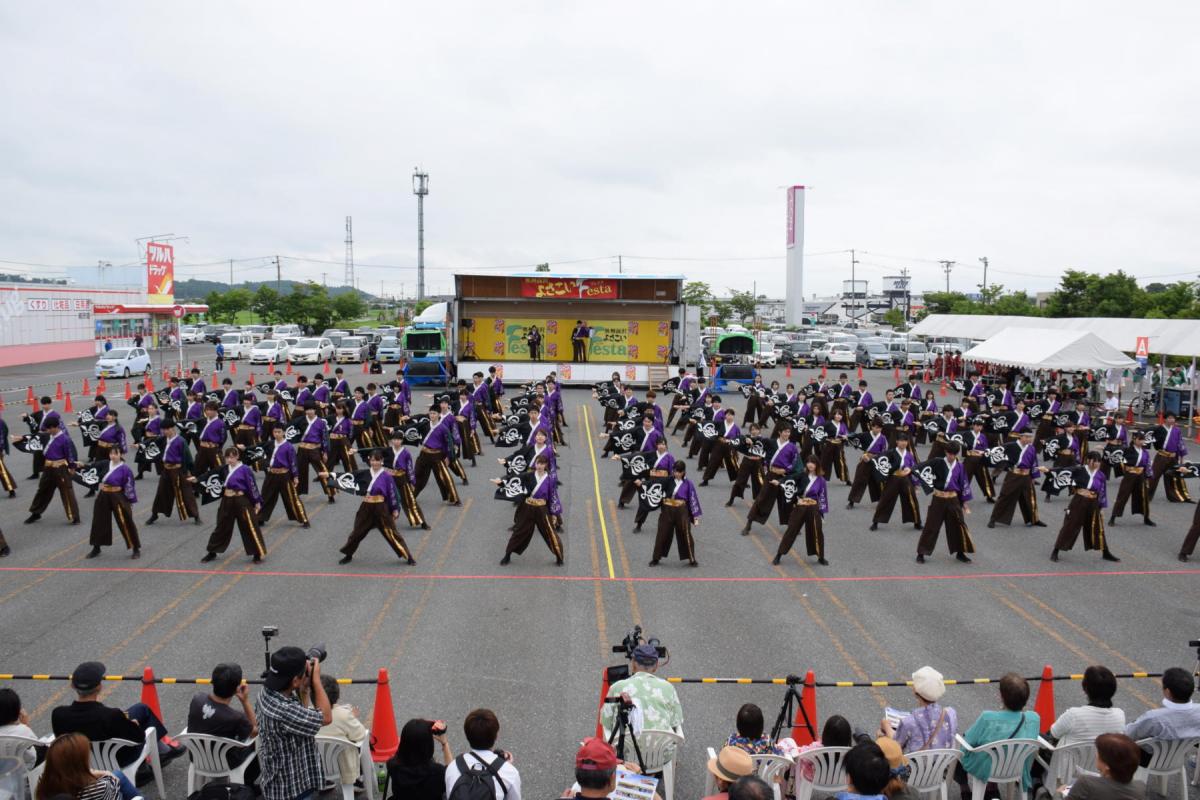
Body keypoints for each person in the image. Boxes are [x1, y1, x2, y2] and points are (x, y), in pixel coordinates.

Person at [51, 661, 183, 767]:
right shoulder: (111, 715)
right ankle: (157, 756)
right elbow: (138, 738)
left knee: (141, 709)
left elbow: (61, 741)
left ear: (72, 686)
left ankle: (158, 755)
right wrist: (134, 725)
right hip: (117, 761)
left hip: (82, 761)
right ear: (99, 687)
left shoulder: (58, 714)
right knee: (139, 720)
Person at [255, 646, 333, 800]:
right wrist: (316, 680)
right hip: (291, 789)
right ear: (295, 680)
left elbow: (300, 719)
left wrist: (303, 691)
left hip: (279, 781)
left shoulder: (266, 693)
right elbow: (326, 717)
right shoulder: (284, 710)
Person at [957, 673, 1040, 795]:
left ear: (1002, 697)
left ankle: (965, 788)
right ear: (1026, 699)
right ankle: (991, 788)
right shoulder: (1034, 718)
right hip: (1016, 767)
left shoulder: (988, 718)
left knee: (959, 750)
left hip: (988, 768)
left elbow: (968, 741)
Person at [187, 663, 259, 787]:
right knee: (257, 744)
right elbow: (255, 731)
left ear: (212, 682)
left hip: (197, 757)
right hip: (225, 763)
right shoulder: (235, 717)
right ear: (237, 688)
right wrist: (245, 701)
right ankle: (247, 784)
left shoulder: (197, 699)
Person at [338, 450, 416, 565]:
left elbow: (393, 493)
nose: (375, 463)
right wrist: (329, 475)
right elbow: (349, 476)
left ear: (382, 461)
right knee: (357, 532)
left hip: (381, 508)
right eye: (373, 460)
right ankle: (348, 554)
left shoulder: (386, 476)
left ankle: (408, 556)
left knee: (392, 532)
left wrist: (395, 509)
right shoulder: (365, 473)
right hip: (366, 507)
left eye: (377, 460)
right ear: (369, 461)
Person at [600, 644, 683, 740]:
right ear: (656, 666)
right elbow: (675, 722)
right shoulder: (668, 688)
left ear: (634, 663)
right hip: (661, 751)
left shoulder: (617, 687)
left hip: (625, 752)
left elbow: (606, 721)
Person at [494, 453, 564, 566]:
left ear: (546, 465)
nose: (539, 465)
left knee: (550, 532)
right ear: (535, 463)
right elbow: (515, 479)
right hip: (528, 507)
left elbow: (553, 497)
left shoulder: (550, 479)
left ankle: (559, 556)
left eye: (542, 463)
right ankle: (507, 554)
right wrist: (502, 482)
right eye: (538, 463)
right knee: (519, 531)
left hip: (542, 509)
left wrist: (554, 514)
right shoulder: (529, 475)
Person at [202, 447, 266, 564]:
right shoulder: (224, 469)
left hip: (241, 500)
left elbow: (252, 486)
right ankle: (212, 551)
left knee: (249, 525)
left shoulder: (245, 469)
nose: (230, 460)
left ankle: (257, 552)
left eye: (232, 457)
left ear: (237, 457)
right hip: (227, 500)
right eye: (227, 457)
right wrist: (196, 480)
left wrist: (256, 502)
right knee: (221, 526)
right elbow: (210, 475)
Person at [1051, 451, 1119, 562]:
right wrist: (1049, 470)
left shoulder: (1101, 475)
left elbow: (1102, 491)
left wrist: (1101, 507)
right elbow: (1064, 471)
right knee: (1070, 525)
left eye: (1098, 461)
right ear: (1088, 460)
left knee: (1098, 527)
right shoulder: (1080, 470)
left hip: (1093, 503)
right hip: (1079, 500)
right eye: (1094, 461)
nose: (1096, 463)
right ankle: (1056, 550)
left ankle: (1105, 552)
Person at [915, 442, 975, 564]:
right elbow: (921, 467)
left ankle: (960, 552)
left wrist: (963, 502)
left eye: (953, 454)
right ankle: (921, 552)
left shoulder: (960, 466)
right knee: (931, 525)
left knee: (958, 525)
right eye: (949, 453)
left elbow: (963, 483)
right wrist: (909, 470)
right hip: (938, 498)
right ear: (945, 452)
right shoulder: (937, 462)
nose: (951, 456)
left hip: (953, 499)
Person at [443, 708, 522, 800]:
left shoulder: (453, 767)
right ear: (496, 735)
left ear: (467, 735)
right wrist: (504, 767)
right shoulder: (510, 773)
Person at [881, 666, 957, 753]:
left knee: (881, 734)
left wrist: (886, 726)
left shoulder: (909, 722)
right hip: (942, 764)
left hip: (915, 766)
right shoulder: (951, 713)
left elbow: (896, 744)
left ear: (915, 690)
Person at [35, 732, 132, 800]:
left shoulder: (44, 782)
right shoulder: (99, 788)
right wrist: (104, 773)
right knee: (118, 776)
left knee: (118, 774)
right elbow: (114, 783)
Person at [1047, 666, 1125, 747]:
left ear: (1085, 688)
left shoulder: (1073, 715)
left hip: (1068, 759)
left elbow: (1052, 735)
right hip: (1103, 759)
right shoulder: (1120, 715)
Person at [86, 446, 141, 560]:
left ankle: (135, 547)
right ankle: (96, 547)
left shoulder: (125, 469)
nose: (113, 456)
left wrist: (130, 501)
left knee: (125, 521)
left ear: (120, 454)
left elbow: (129, 486)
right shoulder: (105, 463)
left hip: (118, 496)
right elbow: (93, 467)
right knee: (99, 521)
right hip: (104, 494)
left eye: (115, 453)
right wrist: (80, 465)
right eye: (111, 453)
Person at [773, 456, 830, 566]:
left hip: (813, 508)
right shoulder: (802, 475)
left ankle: (821, 556)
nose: (810, 465)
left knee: (817, 532)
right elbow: (790, 479)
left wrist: (821, 514)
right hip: (800, 506)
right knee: (791, 530)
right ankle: (779, 554)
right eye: (808, 462)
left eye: (813, 462)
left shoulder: (821, 480)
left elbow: (823, 497)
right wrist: (779, 482)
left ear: (817, 465)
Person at [1124, 667, 1200, 747]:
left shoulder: (1154, 718)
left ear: (1167, 692)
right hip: (1184, 757)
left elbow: (1127, 734)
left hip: (1152, 758)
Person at [24, 416, 80, 525]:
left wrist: (72, 467)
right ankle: (36, 512)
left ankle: (74, 516)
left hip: (61, 468)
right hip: (48, 468)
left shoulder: (65, 439)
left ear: (55, 427)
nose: (48, 431)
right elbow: (35, 439)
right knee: (42, 490)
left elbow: (70, 455)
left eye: (49, 429)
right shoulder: (48, 436)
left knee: (67, 492)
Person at [147, 418, 200, 525]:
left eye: (167, 429)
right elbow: (152, 445)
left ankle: (196, 516)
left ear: (172, 428)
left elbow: (188, 458)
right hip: (166, 470)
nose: (164, 431)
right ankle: (154, 514)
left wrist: (189, 472)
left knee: (186, 493)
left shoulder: (181, 441)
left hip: (178, 469)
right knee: (161, 492)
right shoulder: (162, 439)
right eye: (163, 429)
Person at [1062, 733, 1145, 800]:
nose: (1096, 755)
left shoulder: (1086, 783)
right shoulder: (1140, 787)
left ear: (1107, 766)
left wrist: (1059, 793)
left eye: (1099, 755)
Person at [317, 675, 368, 783]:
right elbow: (361, 735)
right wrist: (352, 717)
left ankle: (325, 782)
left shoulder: (308, 714)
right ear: (337, 696)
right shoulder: (344, 715)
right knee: (358, 744)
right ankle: (358, 781)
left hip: (319, 766)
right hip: (344, 766)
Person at [648, 460, 700, 567]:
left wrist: (695, 516)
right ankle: (656, 558)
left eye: (679, 472)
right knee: (662, 533)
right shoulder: (668, 480)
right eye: (675, 471)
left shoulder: (688, 483)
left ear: (683, 472)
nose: (676, 474)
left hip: (682, 510)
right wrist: (642, 483)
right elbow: (655, 484)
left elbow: (692, 499)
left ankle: (692, 558)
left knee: (686, 533)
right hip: (667, 509)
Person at [387, 719, 453, 800]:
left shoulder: (392, 765)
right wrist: (445, 743)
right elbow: (452, 774)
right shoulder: (438, 772)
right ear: (428, 746)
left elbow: (401, 753)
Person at [258, 425, 310, 528]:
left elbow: (293, 462)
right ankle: (261, 518)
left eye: (279, 432)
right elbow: (261, 453)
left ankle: (304, 519)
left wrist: (295, 476)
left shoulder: (288, 446)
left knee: (292, 498)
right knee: (266, 496)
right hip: (271, 474)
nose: (276, 434)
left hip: (284, 475)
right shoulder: (270, 444)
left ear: (283, 433)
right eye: (275, 432)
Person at [0, 687, 42, 768]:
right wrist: (25, 724)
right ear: (18, 711)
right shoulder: (23, 731)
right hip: (23, 770)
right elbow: (36, 743)